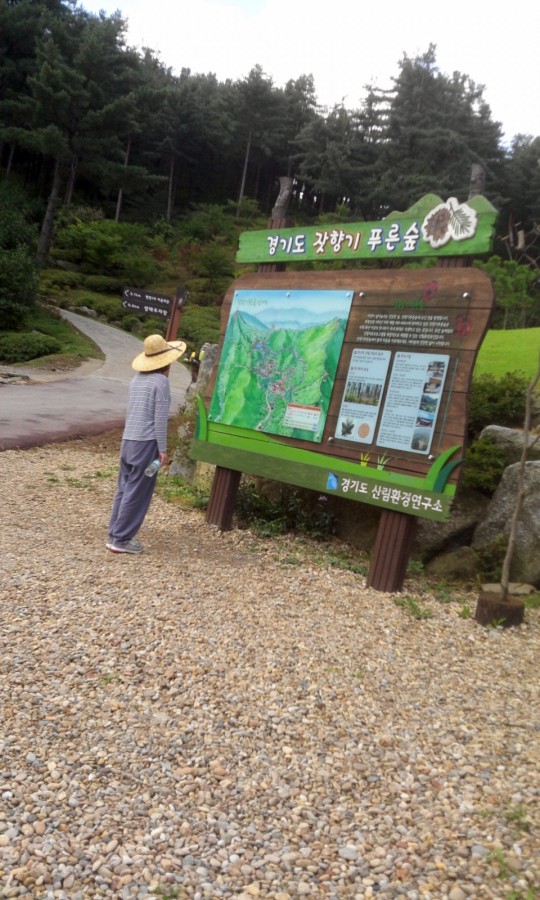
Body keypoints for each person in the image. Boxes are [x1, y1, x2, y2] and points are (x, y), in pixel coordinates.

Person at [107, 334, 185, 554]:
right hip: (146, 444)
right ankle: (122, 539)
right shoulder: (161, 382)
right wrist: (163, 450)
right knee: (138, 491)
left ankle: (114, 534)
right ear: (167, 360)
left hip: (128, 441)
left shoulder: (137, 379)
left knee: (124, 488)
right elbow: (159, 419)